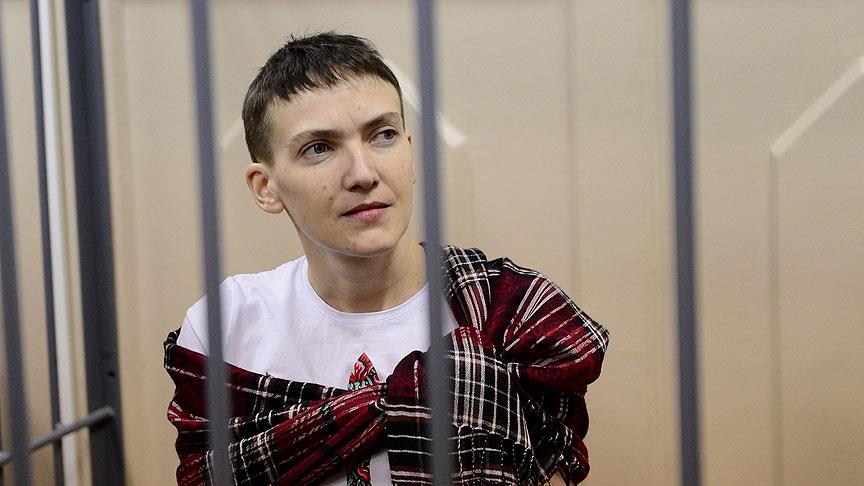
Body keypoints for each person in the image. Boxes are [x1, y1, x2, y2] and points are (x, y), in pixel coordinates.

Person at [165, 32, 609, 486]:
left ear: (410, 153)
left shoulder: (510, 316)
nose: (363, 174)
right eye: (319, 148)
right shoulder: (226, 327)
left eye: (383, 135)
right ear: (265, 187)